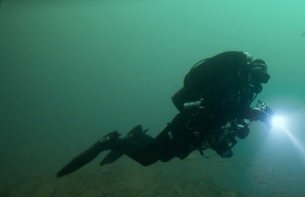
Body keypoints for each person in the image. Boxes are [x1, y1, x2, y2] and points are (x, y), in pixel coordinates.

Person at [57, 51, 272, 177]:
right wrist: (251, 113)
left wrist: (243, 122)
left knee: (165, 156)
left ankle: (136, 136)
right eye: (256, 74)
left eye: (263, 78)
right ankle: (111, 141)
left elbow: (231, 116)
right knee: (148, 158)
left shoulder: (244, 92)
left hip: (199, 132)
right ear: (248, 68)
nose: (257, 81)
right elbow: (218, 104)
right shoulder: (230, 82)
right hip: (189, 123)